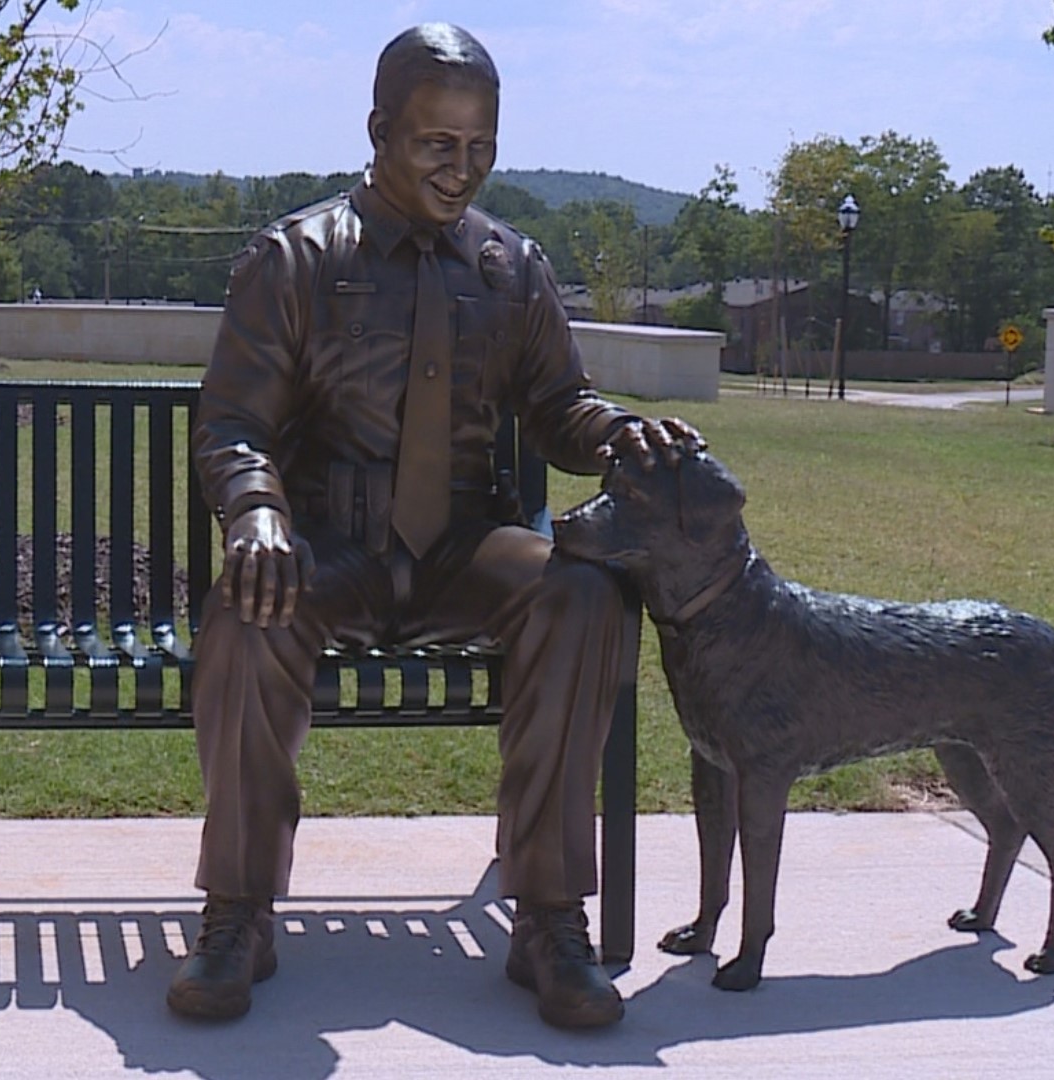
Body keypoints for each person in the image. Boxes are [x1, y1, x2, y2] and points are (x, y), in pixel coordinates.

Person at [171, 22, 698, 1029]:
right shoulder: (296, 260)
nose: (461, 170)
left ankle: (547, 918)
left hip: (464, 546)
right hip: (328, 544)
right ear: (378, 131)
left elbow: (561, 407)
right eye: (435, 145)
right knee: (248, 610)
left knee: (585, 590)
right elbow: (235, 424)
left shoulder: (511, 267)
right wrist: (256, 512)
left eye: (480, 148)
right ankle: (237, 911)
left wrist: (621, 435)